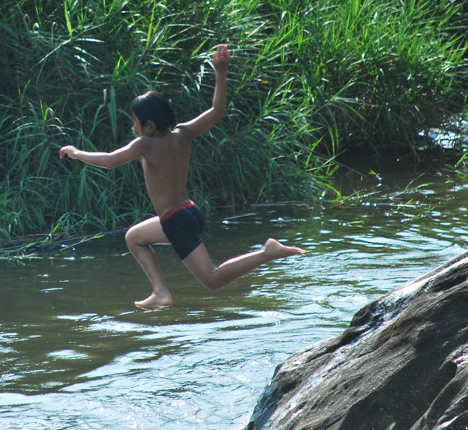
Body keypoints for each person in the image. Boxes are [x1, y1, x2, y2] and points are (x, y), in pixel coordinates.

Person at [59, 44, 307, 309]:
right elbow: (217, 111)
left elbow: (109, 161)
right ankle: (159, 291)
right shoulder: (184, 133)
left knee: (212, 279)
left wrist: (76, 152)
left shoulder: (146, 144)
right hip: (189, 212)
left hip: (175, 220)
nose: (134, 126)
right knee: (134, 237)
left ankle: (266, 253)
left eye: (135, 121)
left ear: (149, 124)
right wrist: (221, 71)